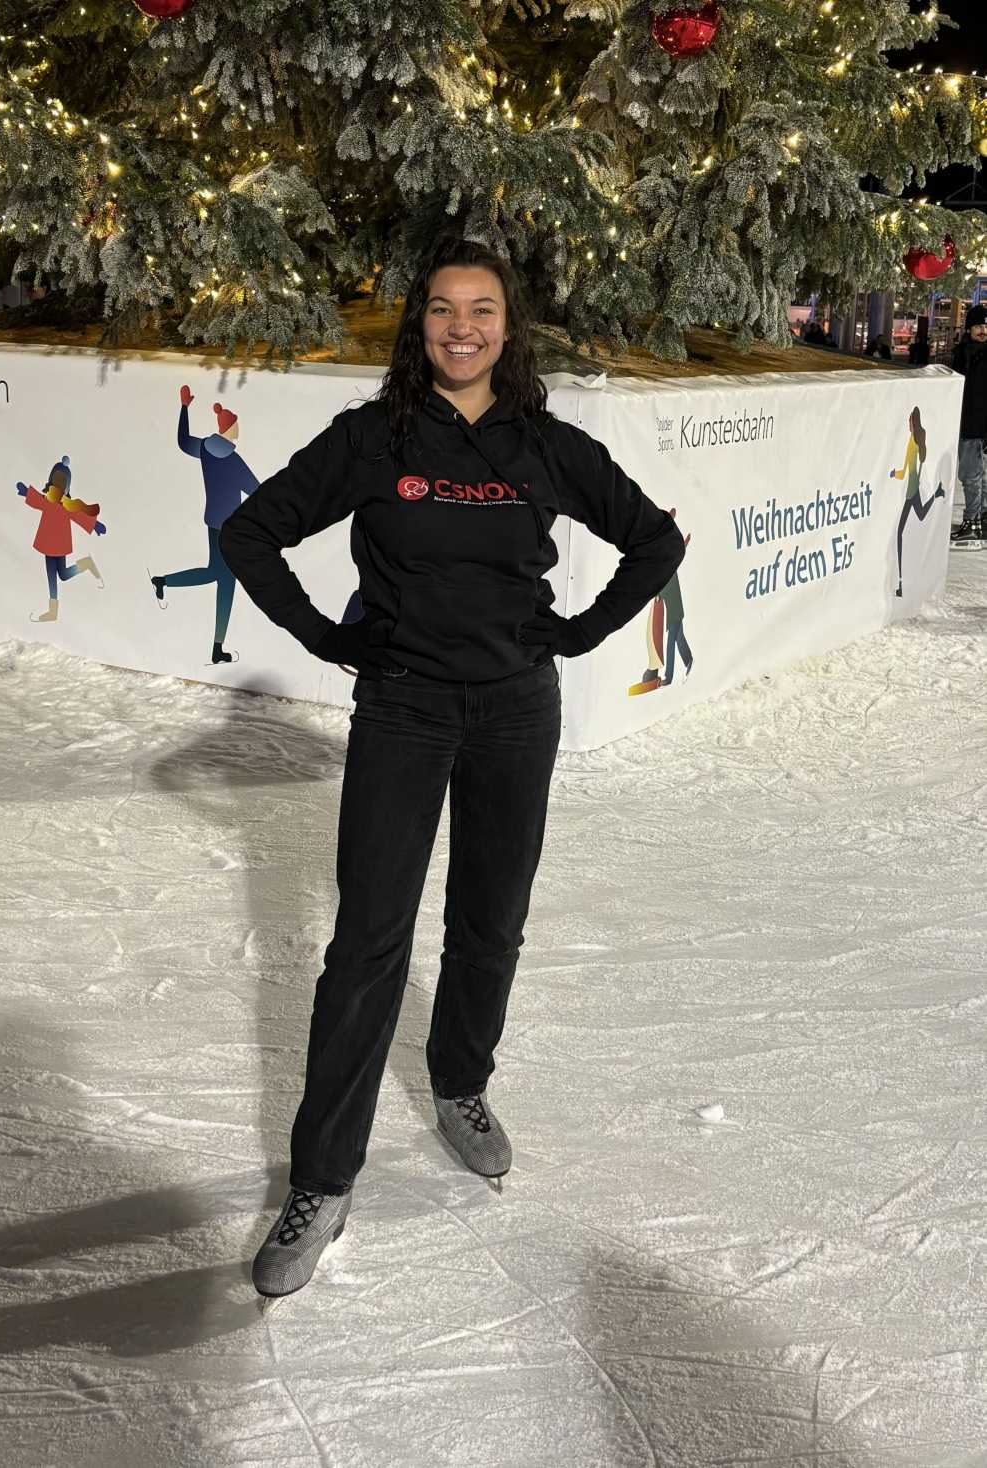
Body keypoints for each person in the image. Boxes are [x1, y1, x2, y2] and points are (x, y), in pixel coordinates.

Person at [218, 235, 685, 1298]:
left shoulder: (544, 445)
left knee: (490, 919)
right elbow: (252, 535)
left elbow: (654, 540)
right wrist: (332, 641)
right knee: (368, 943)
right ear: (416, 323)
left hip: (518, 709)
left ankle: (460, 1082)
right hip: (404, 707)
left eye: (480, 310)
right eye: (440, 310)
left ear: (507, 326)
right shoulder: (373, 438)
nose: (460, 329)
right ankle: (322, 1177)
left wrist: (572, 633)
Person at [150, 388, 260, 664]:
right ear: (230, 429)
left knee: (220, 576)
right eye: (236, 426)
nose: (238, 431)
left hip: (213, 522)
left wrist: (184, 408)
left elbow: (183, 441)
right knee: (223, 579)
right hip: (232, 527)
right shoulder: (233, 461)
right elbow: (256, 490)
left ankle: (165, 583)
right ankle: (216, 645)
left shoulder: (206, 450)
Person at [17, 455, 106, 622]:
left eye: (62, 482)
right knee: (51, 575)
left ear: (66, 487)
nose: (58, 486)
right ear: (51, 481)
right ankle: (53, 611)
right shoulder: (47, 500)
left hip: (59, 546)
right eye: (56, 481)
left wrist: (94, 525)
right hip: (46, 544)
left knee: (63, 575)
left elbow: (80, 516)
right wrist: (26, 492)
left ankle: (86, 564)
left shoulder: (67, 506)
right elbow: (37, 500)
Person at [889, 405, 945, 597]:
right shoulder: (912, 441)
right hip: (911, 488)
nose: (908, 423)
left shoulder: (914, 441)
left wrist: (893, 474)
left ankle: (901, 584)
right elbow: (904, 471)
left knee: (899, 533)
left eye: (910, 420)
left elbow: (910, 468)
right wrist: (892, 473)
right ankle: (937, 493)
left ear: (914, 422)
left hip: (912, 489)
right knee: (918, 516)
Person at [950, 304, 987, 546]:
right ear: (969, 328)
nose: (983, 330)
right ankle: (981, 520)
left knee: (971, 475)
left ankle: (972, 521)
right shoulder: (962, 353)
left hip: (977, 425)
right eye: (978, 326)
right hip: (965, 422)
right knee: (978, 476)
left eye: (986, 326)